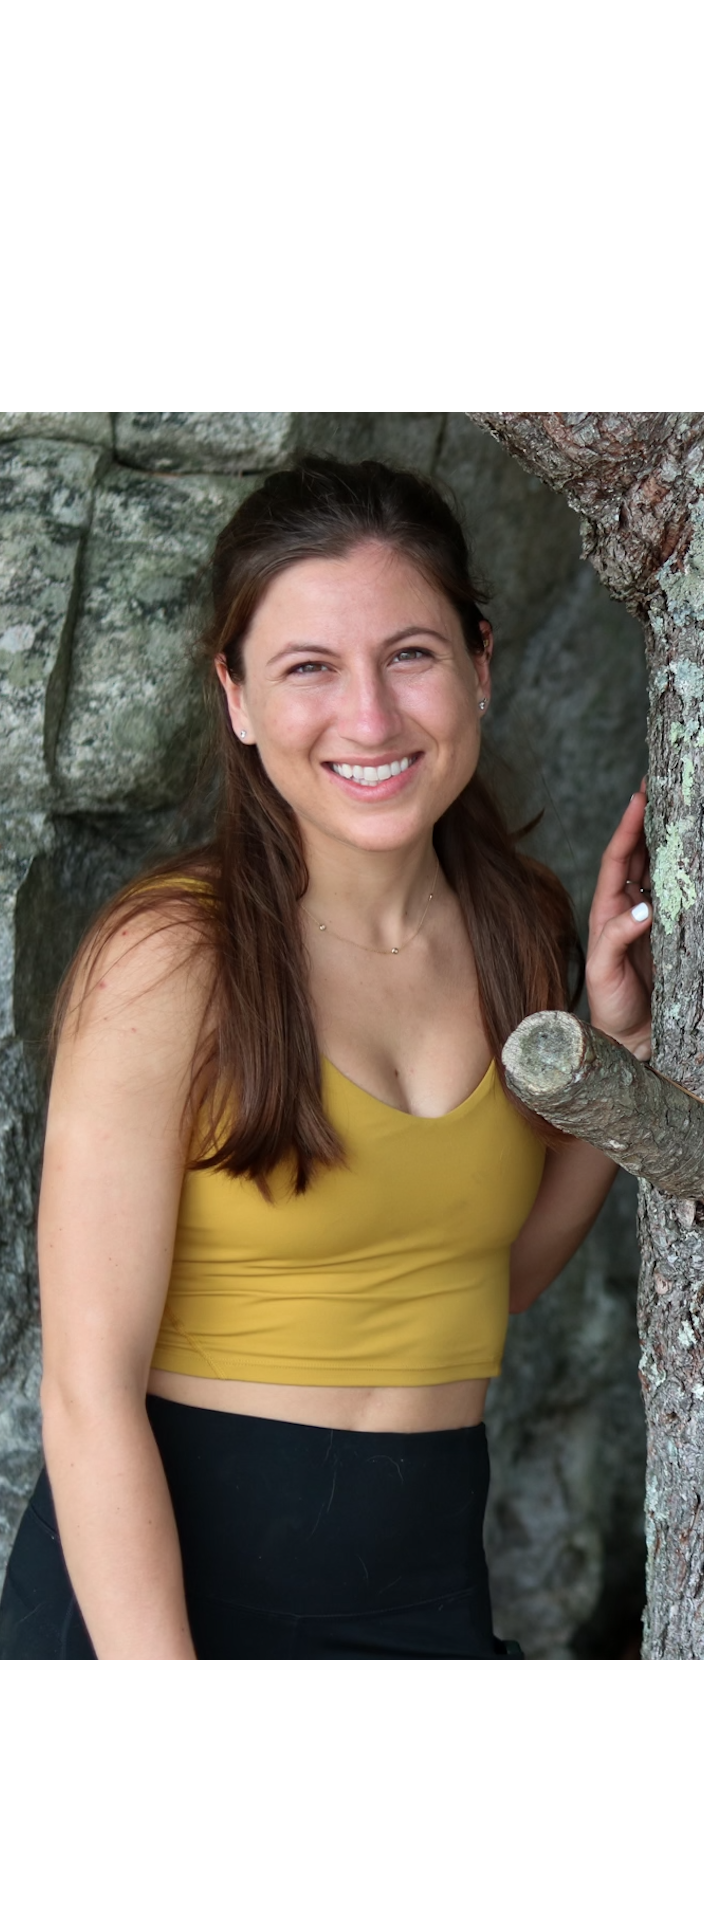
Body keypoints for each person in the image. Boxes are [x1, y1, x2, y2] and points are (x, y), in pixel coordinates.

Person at [0, 458, 655, 1659]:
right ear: (238, 696)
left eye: (409, 653)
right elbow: (87, 1395)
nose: (369, 718)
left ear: (480, 664)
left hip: (423, 1593)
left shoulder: (521, 927)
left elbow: (483, 1280)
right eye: (309, 667)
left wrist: (615, 1048)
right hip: (164, 1604)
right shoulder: (167, 959)